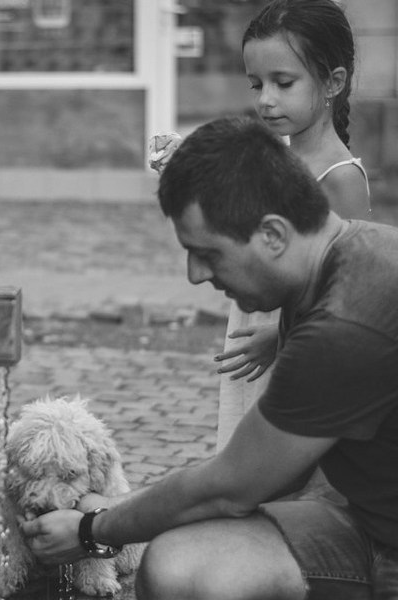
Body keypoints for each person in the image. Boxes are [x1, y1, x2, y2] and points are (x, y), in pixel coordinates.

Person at [21, 116, 398, 599]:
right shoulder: (334, 264)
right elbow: (263, 475)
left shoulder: (344, 324)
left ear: (273, 235)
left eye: (207, 253)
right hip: (368, 522)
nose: (195, 274)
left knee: (189, 569)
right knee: (180, 566)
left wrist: (93, 529)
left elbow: (231, 486)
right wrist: (115, 509)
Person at [215, 0, 371, 452]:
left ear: (332, 82)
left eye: (283, 83)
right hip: (257, 327)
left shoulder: (341, 179)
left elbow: (354, 295)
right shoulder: (281, 154)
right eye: (256, 84)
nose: (266, 99)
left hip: (296, 350)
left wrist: (278, 335)